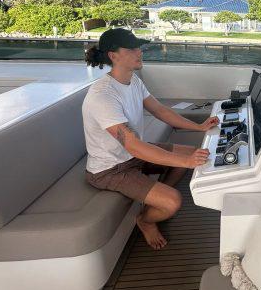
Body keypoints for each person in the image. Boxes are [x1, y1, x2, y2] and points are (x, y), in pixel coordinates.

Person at [82, 28, 219, 249]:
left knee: (190, 156)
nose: (139, 52)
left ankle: (152, 201)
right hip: (110, 168)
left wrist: (199, 126)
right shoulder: (103, 95)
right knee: (173, 201)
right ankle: (145, 220)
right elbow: (133, 145)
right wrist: (185, 161)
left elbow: (160, 111)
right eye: (131, 49)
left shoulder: (133, 81)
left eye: (139, 47)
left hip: (132, 155)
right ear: (113, 55)